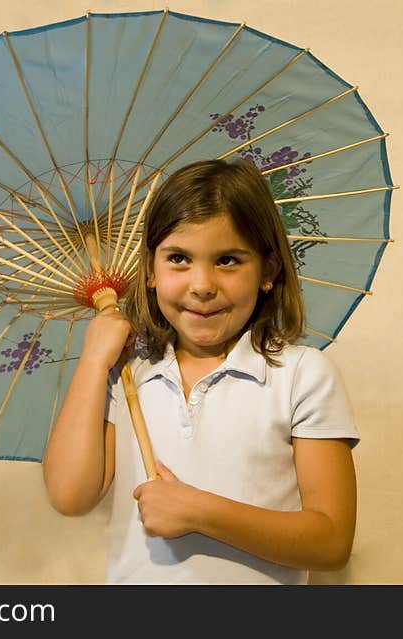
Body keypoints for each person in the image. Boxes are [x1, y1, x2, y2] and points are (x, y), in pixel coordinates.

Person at [42, 158, 359, 584]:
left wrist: (197, 511)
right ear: (150, 270)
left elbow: (331, 542)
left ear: (267, 271)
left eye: (228, 260)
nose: (202, 284)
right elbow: (70, 495)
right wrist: (94, 361)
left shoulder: (301, 375)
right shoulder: (128, 375)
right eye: (178, 258)